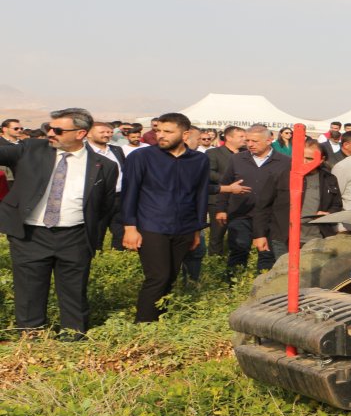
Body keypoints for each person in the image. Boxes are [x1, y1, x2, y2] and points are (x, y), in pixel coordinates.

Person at [0, 108, 118, 339]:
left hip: (75, 236)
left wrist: (91, 236)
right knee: (29, 289)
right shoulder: (31, 149)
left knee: (74, 290)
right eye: (48, 128)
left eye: (57, 130)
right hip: (30, 235)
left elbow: (104, 206)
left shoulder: (103, 166)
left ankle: (73, 335)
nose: (51, 133)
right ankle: (31, 335)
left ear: (80, 133)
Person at [120, 113, 209, 322]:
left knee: (170, 276)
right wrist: (129, 227)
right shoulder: (141, 157)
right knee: (157, 276)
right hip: (151, 225)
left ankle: (160, 320)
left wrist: (197, 230)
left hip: (185, 227)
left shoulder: (199, 160)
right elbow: (129, 192)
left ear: (185, 134)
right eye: (158, 130)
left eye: (168, 132)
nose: (161, 135)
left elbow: (201, 195)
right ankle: (144, 325)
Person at [216, 124, 290, 273]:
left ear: (269, 140)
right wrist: (221, 209)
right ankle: (233, 286)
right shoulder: (237, 159)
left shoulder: (285, 162)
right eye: (248, 140)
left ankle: (262, 287)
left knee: (267, 254)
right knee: (239, 249)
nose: (250, 144)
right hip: (241, 212)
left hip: (270, 216)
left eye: (255, 141)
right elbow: (225, 184)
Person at [252, 140, 342, 259]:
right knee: (284, 274)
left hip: (317, 237)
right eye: (301, 157)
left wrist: (329, 213)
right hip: (283, 236)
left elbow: (336, 204)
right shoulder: (281, 175)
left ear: (321, 159)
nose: (304, 162)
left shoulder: (329, 179)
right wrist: (260, 235)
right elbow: (262, 205)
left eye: (310, 159)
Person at [85, 122, 127, 250]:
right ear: (89, 134)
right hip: (97, 198)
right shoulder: (84, 152)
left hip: (119, 197)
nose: (107, 135)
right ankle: (95, 257)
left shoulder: (116, 150)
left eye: (109, 132)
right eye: (102, 132)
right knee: (96, 232)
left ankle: (120, 255)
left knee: (120, 232)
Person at [205, 126, 245, 255]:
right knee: (217, 233)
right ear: (229, 137)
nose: (245, 139)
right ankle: (215, 261)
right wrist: (228, 181)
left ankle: (235, 260)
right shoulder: (213, 153)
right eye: (241, 137)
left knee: (239, 233)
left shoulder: (246, 153)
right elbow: (209, 172)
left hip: (240, 199)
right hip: (218, 198)